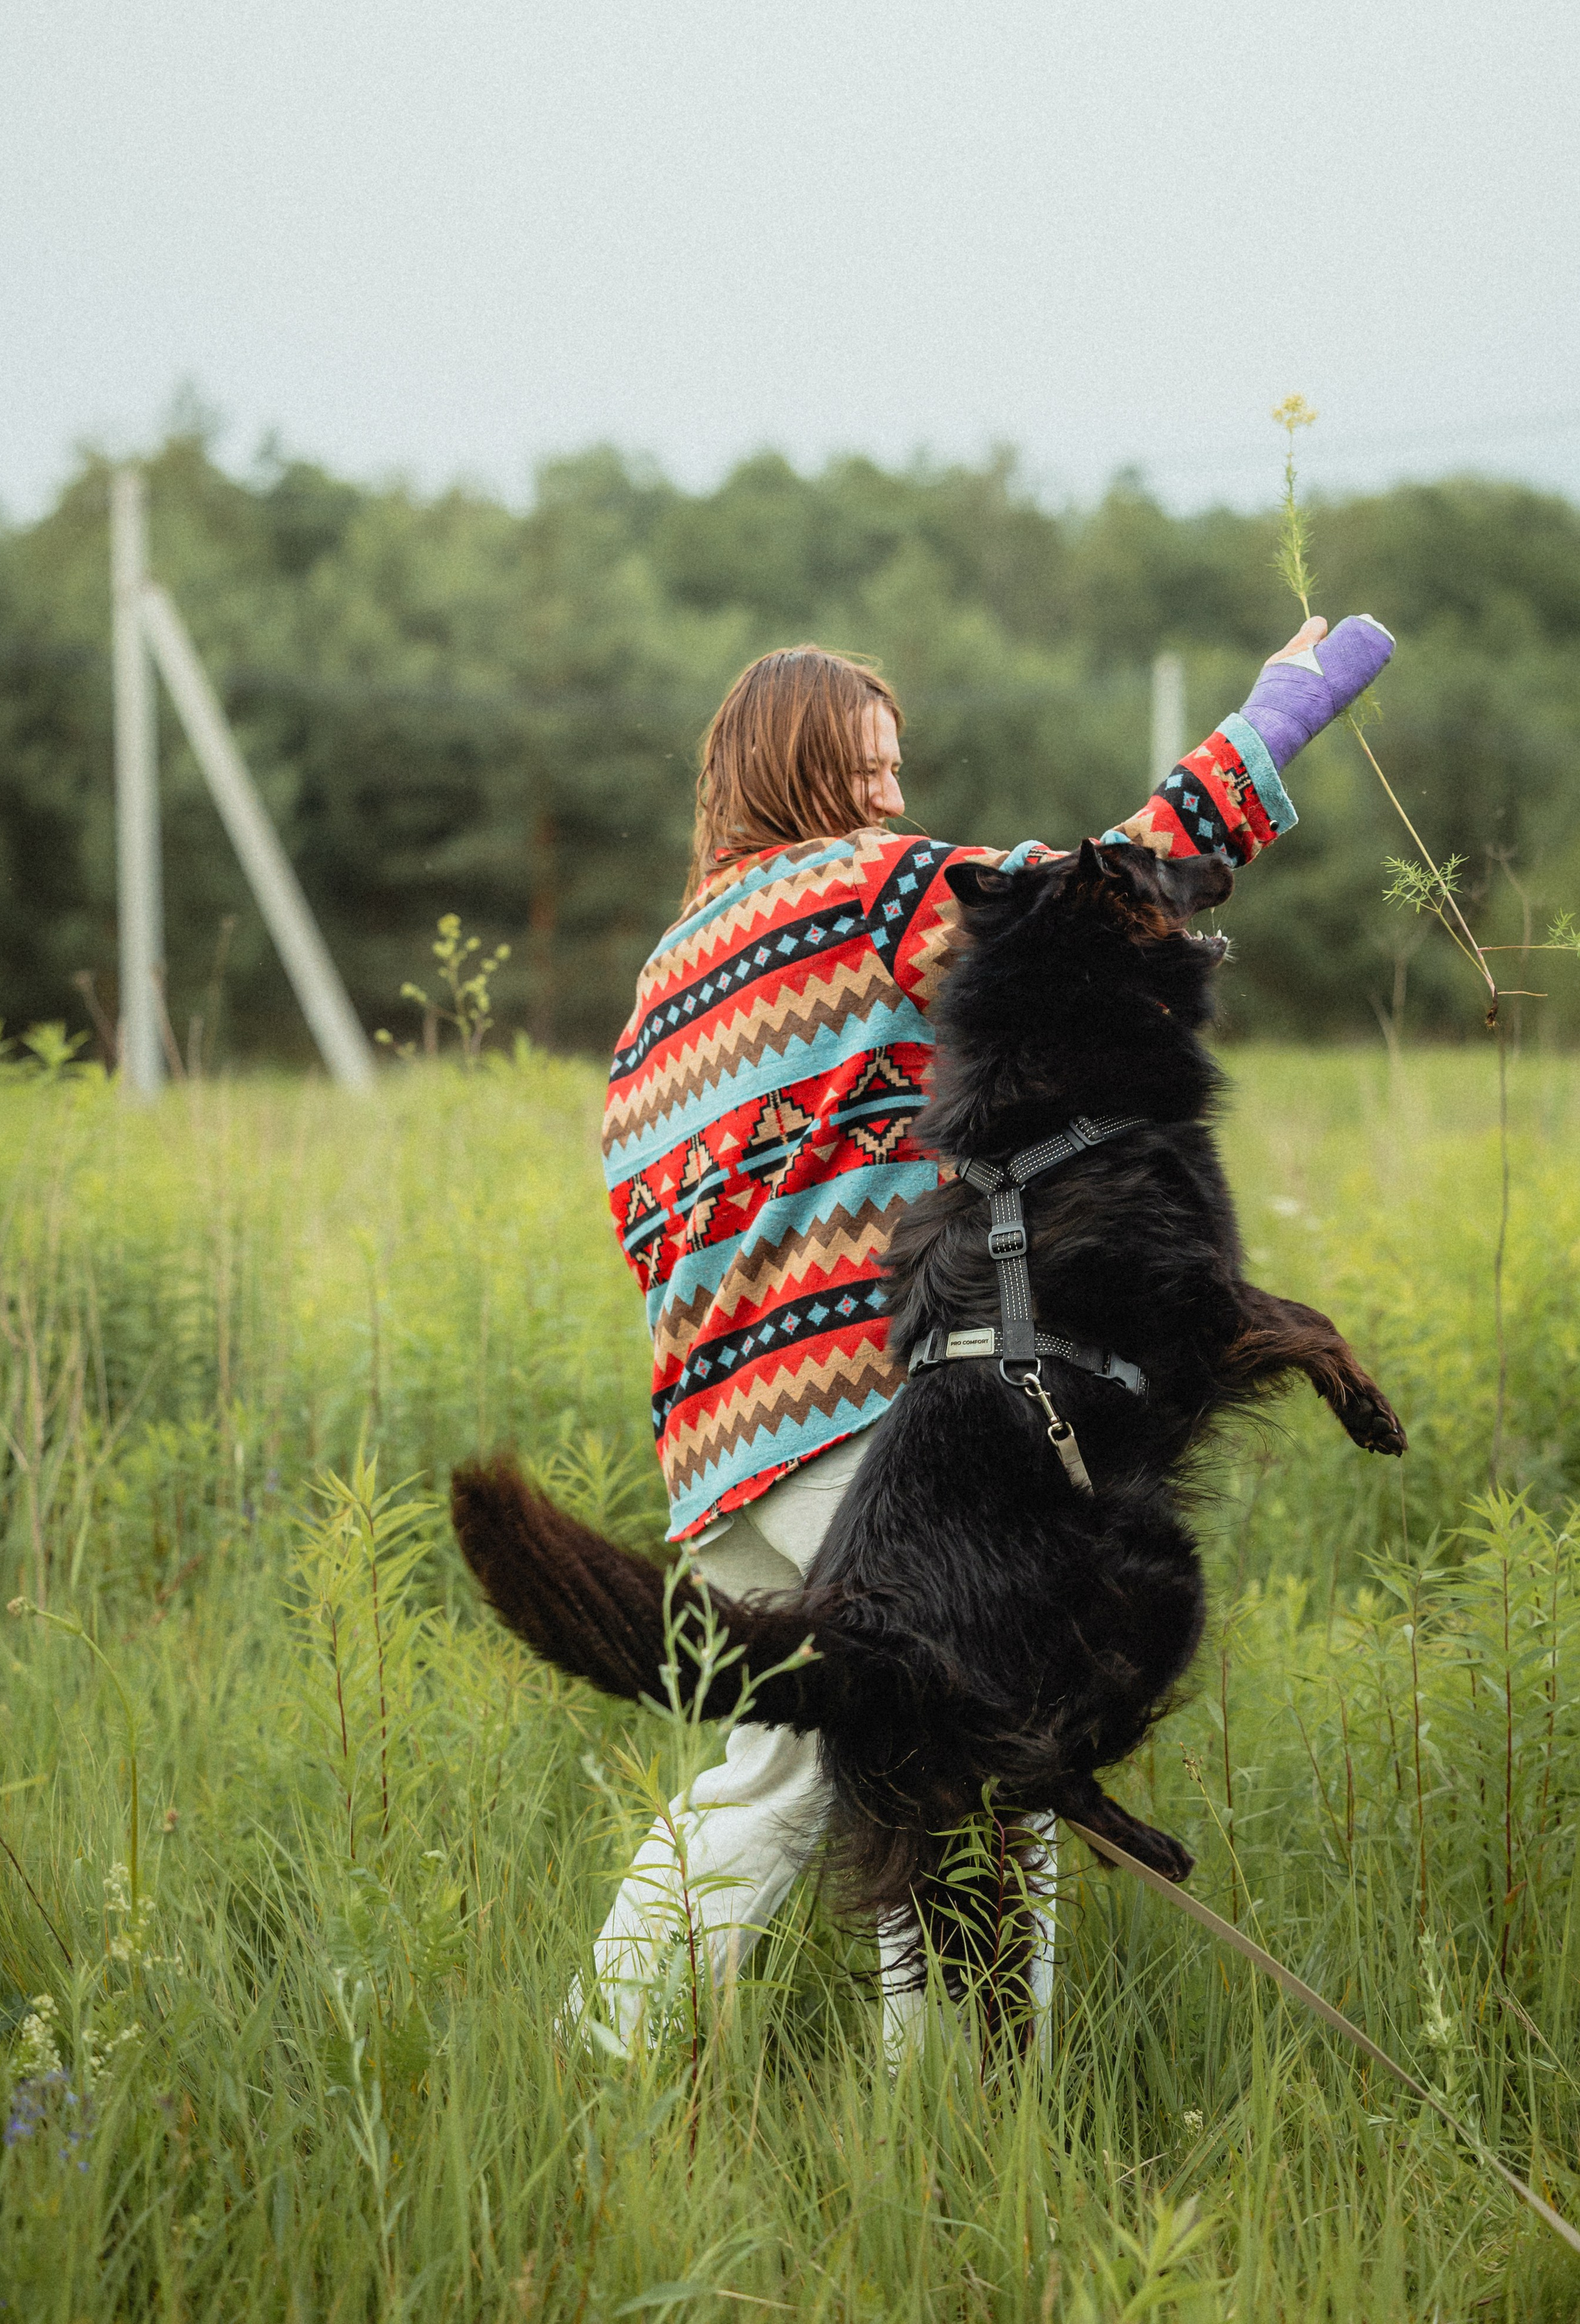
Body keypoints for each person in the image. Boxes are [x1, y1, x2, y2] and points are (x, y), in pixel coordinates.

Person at [582, 611, 1395, 2052]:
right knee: (979, 1774)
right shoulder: (866, 894)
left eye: (896, 770)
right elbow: (1104, 890)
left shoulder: (658, 987)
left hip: (722, 1475)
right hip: (872, 1437)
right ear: (798, 769)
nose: (896, 797)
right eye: (868, 766)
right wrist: (1287, 705)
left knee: (772, 1784)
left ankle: (600, 2054)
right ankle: (956, 2133)